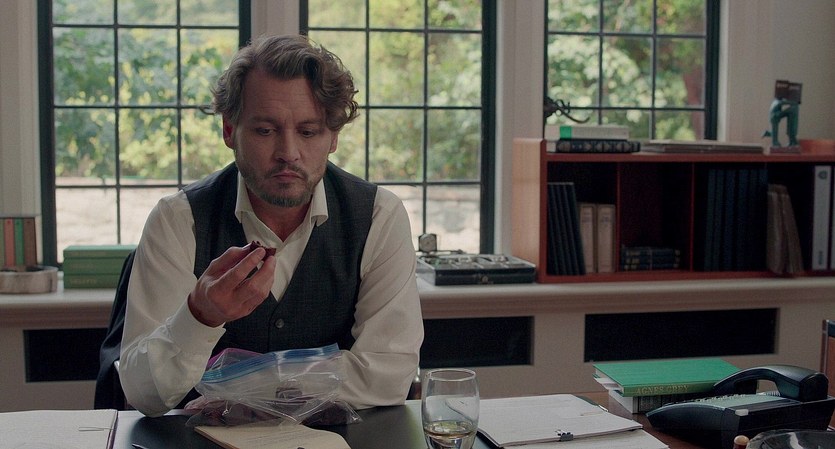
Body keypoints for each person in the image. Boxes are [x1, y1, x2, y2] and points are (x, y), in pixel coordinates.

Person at [118, 34, 424, 417]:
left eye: (308, 132)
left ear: (333, 137)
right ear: (229, 130)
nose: (288, 153)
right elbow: (144, 395)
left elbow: (388, 375)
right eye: (265, 130)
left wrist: (246, 389)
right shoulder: (178, 220)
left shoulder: (379, 215)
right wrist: (200, 315)